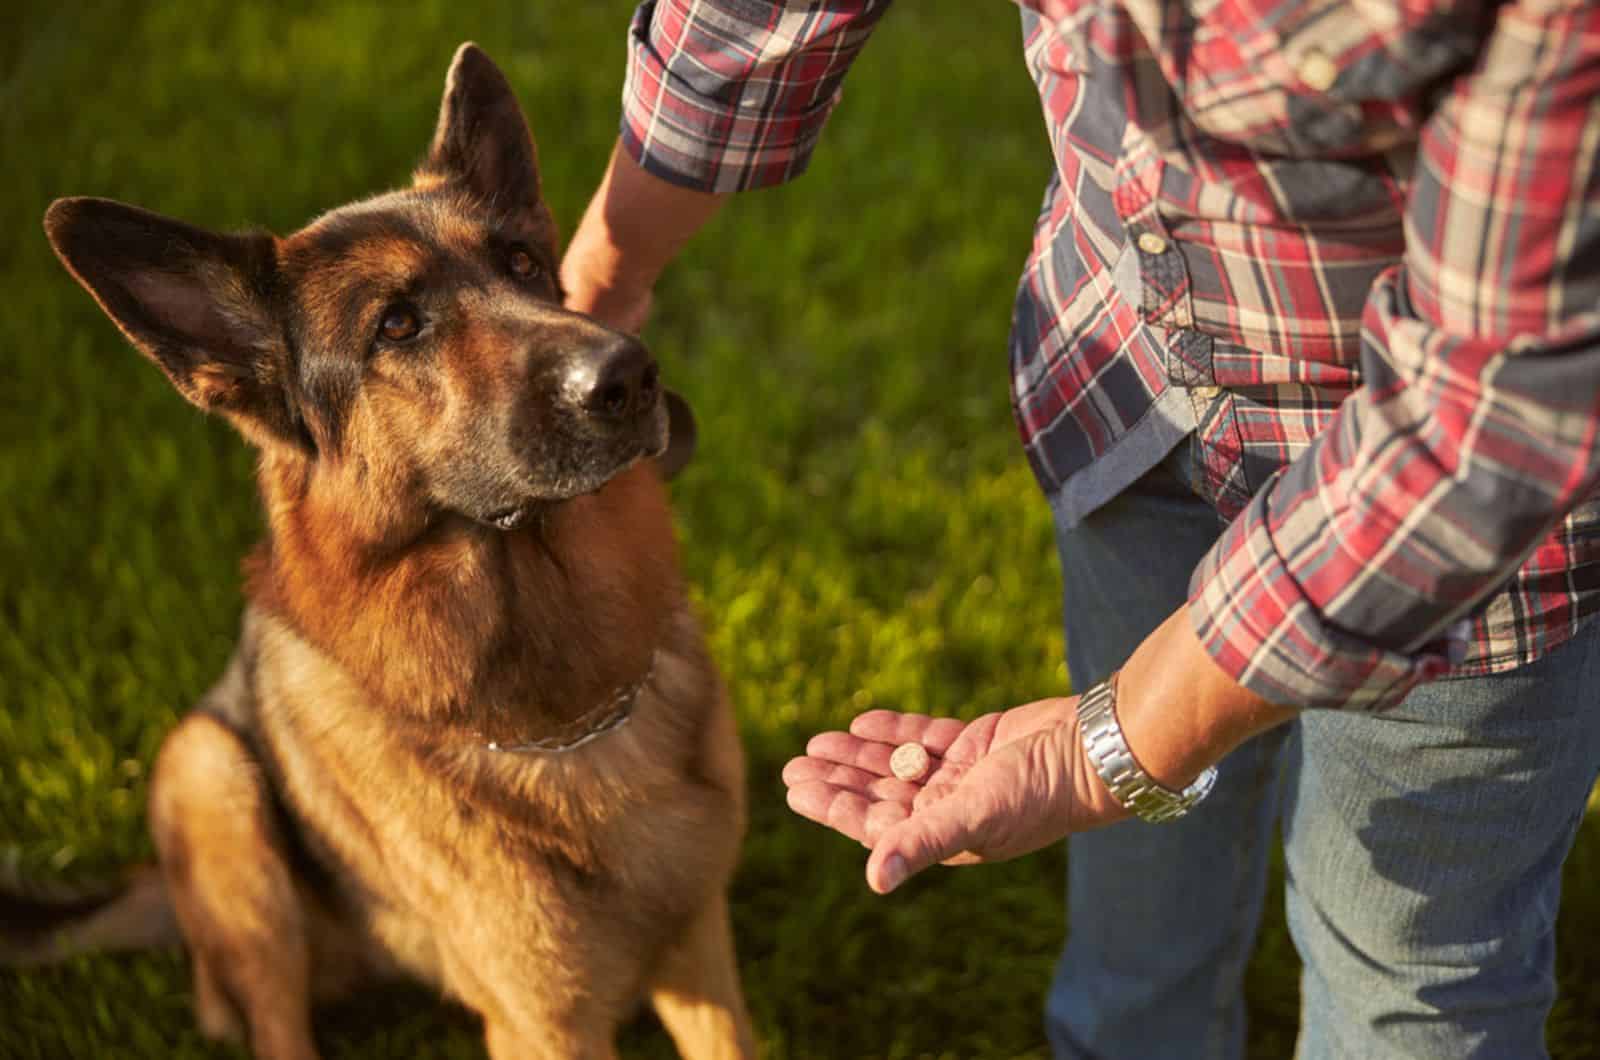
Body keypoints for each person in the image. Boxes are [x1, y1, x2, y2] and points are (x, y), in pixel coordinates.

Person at [558, 1, 1600, 1056]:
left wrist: (1110, 745)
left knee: (1406, 974)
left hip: (1479, 563)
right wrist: (606, 272)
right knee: (1145, 890)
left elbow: (1489, 423)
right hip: (1130, 390)